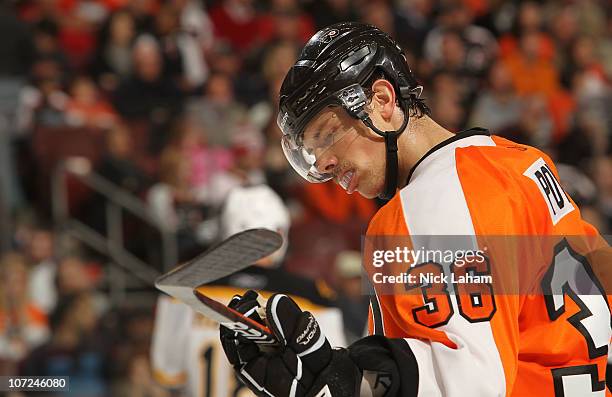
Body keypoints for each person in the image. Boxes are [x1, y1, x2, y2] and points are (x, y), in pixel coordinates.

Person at [219, 22, 611, 396]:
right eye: (310, 152)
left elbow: (471, 382)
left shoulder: (429, 202)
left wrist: (340, 380)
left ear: (382, 100)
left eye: (326, 135)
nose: (322, 163)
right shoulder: (519, 160)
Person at [152, 185, 345, 397]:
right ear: (281, 232)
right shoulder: (314, 296)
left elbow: (168, 373)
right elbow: (332, 380)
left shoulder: (184, 286)